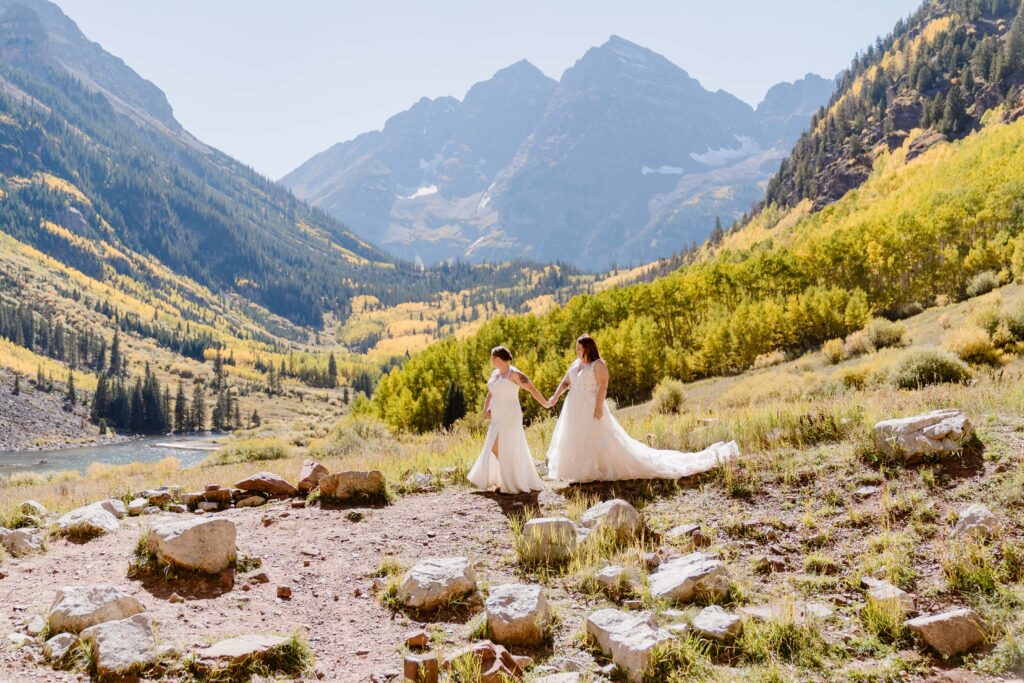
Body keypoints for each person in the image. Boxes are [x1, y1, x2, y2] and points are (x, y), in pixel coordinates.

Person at [545, 334, 738, 482]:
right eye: (577, 348)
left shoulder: (598, 365)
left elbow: (603, 386)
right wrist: (555, 396)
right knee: (575, 437)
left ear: (588, 348)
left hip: (590, 406)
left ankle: (594, 469)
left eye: (579, 348)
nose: (577, 351)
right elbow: (566, 382)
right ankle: (577, 471)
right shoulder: (576, 364)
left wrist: (598, 408)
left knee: (597, 438)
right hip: (573, 407)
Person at [466, 346, 548, 494]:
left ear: (497, 358)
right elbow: (490, 393)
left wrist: (545, 403)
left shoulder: (514, 374)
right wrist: (486, 409)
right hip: (497, 416)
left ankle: (512, 481)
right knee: (494, 446)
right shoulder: (495, 373)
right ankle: (506, 477)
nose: (491, 361)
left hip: (511, 415)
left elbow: (532, 389)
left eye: (492, 358)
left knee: (507, 446)